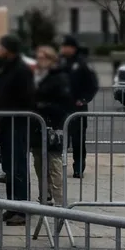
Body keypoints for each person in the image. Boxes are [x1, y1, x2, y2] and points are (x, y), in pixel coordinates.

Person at [0, 34, 36, 226]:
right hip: (6, 122)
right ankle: (12, 206)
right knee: (9, 167)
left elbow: (27, 97)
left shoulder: (21, 70)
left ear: (8, 49)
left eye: (1, 47)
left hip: (16, 122)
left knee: (17, 166)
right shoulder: (10, 66)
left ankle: (22, 209)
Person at [32, 45, 71, 206]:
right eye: (38, 58)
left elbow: (64, 103)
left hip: (53, 127)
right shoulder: (38, 76)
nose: (39, 61)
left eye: (43, 58)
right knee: (39, 162)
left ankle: (60, 199)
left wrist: (41, 105)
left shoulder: (59, 77)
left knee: (54, 164)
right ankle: (44, 196)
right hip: (38, 126)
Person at [60, 36, 99, 178]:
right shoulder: (61, 62)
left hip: (77, 109)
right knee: (60, 139)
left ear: (73, 48)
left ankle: (78, 167)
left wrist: (83, 100)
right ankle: (58, 167)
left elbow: (93, 85)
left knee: (78, 140)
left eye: (66, 46)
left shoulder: (82, 63)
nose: (63, 49)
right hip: (61, 107)